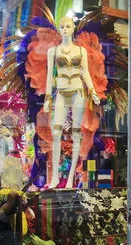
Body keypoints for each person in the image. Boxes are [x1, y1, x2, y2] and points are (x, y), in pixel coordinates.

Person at [42, 16, 101, 189]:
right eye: (62, 27)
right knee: (56, 133)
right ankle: (54, 178)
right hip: (61, 92)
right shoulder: (52, 51)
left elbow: (85, 72)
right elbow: (48, 77)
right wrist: (47, 98)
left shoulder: (81, 51)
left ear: (73, 28)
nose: (65, 29)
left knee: (76, 135)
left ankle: (70, 180)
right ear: (59, 29)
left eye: (68, 26)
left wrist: (93, 91)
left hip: (78, 92)